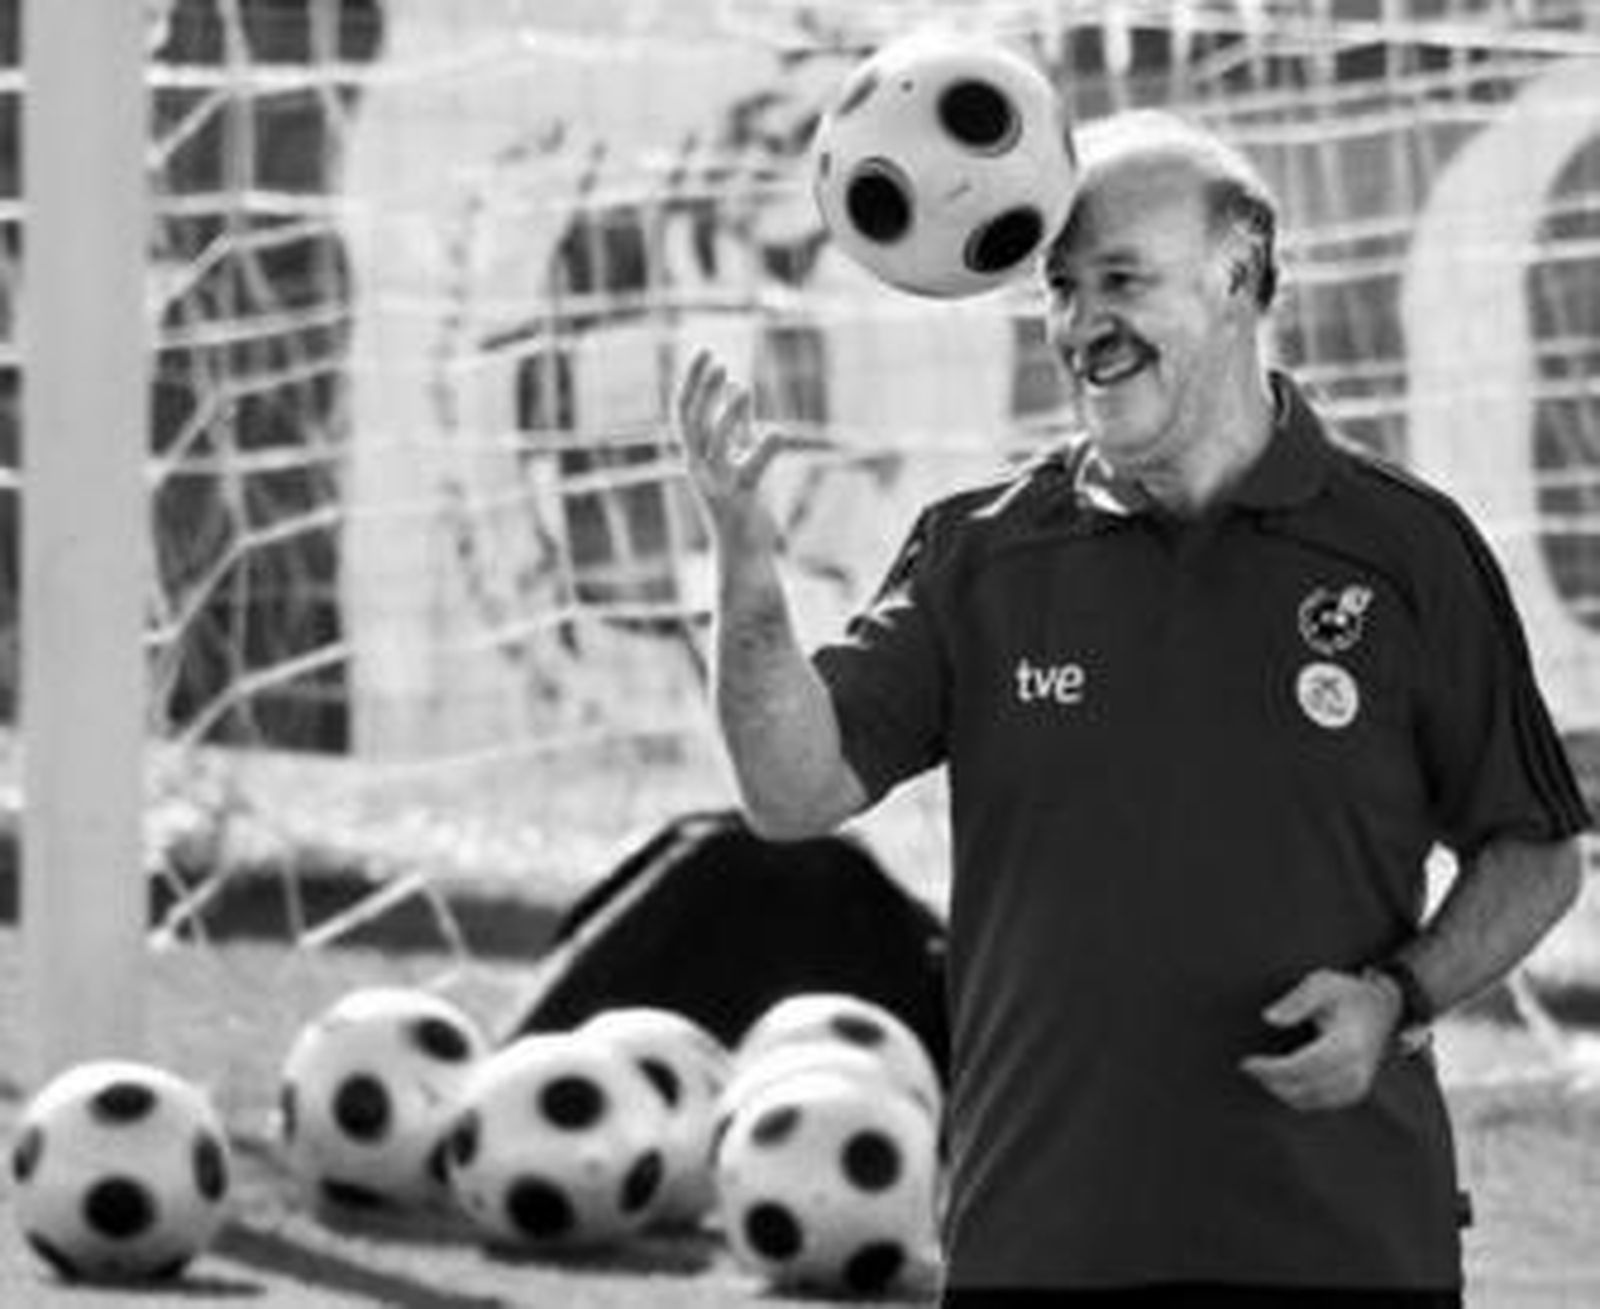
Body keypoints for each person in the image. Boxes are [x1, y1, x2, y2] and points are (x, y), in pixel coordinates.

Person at [673, 107, 1590, 1306]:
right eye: (1060, 287)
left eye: (1121, 278)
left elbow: (1534, 851)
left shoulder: (1405, 552)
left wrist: (1398, 997)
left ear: (1240, 274)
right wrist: (745, 570)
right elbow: (791, 792)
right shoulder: (979, 557)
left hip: (1342, 1248)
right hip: (1046, 1244)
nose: (1080, 325)